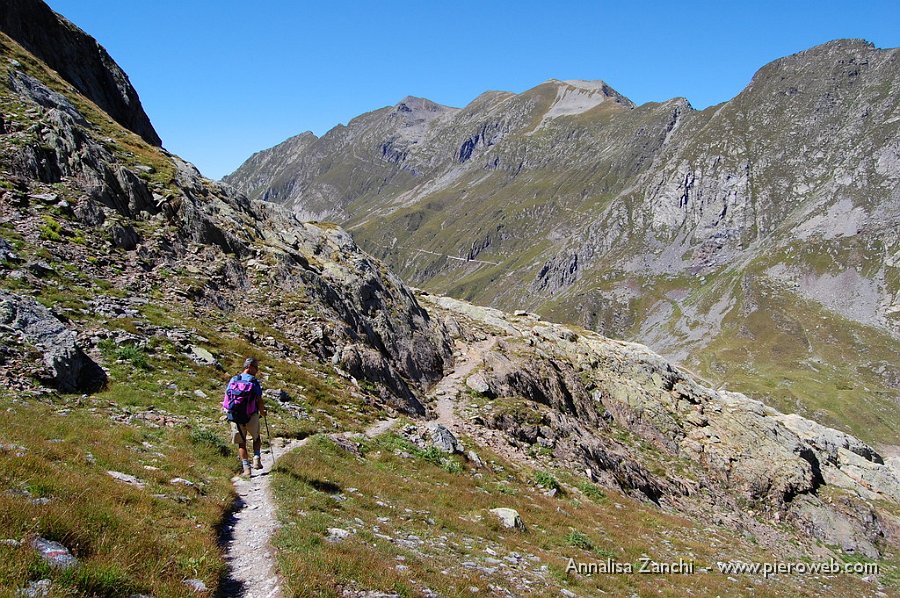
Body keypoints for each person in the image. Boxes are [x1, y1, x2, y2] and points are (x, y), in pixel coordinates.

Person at [224, 357, 266, 476]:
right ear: (249, 367)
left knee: (241, 443)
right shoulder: (253, 381)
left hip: (235, 415)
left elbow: (227, 397)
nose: (257, 370)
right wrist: (262, 411)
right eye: (256, 367)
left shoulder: (234, 379)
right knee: (256, 438)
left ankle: (246, 469)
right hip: (251, 414)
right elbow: (259, 399)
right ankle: (257, 458)